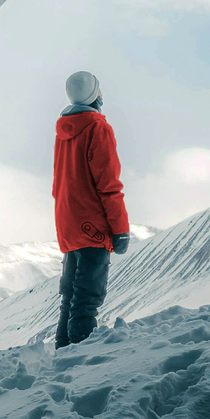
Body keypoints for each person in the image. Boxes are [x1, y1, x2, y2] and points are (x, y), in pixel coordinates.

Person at [52, 70, 130, 348]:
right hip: (93, 226)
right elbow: (109, 185)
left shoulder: (64, 129)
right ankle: (77, 367)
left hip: (68, 223)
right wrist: (120, 230)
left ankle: (62, 358)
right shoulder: (98, 128)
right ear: (96, 94)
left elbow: (59, 181)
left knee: (70, 298)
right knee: (87, 300)